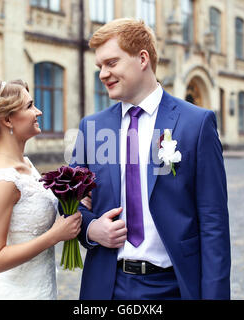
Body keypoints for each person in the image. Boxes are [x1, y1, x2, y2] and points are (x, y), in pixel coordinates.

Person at [70, 18, 231, 300]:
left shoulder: (196, 123)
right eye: (99, 67)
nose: (103, 74)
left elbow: (213, 221)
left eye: (111, 63)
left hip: (175, 286)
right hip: (107, 287)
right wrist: (92, 229)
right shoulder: (92, 128)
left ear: (142, 58)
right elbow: (68, 203)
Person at [0, 77, 89, 300]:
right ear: (7, 120)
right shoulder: (3, 180)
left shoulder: (26, 164)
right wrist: (54, 235)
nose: (39, 111)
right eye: (29, 105)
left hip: (42, 290)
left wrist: (75, 200)